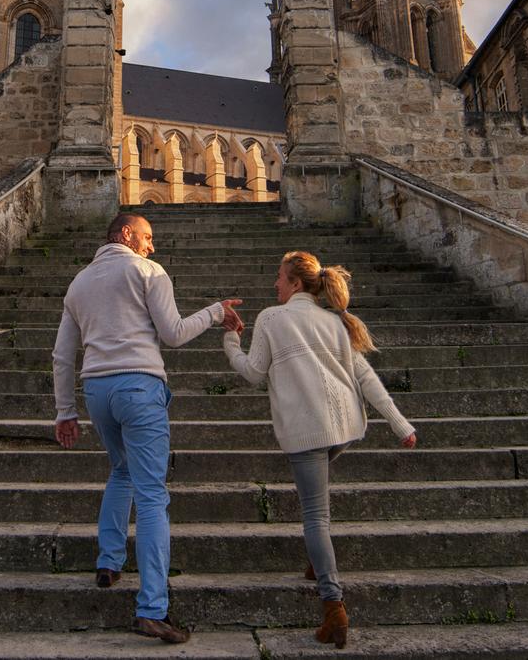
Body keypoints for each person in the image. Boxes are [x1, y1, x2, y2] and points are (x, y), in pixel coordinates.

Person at [52, 212, 242, 644]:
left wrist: (65, 411)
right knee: (153, 494)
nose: (152, 245)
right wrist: (215, 312)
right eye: (147, 236)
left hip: (97, 391)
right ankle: (152, 608)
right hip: (139, 384)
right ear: (126, 234)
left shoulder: (79, 282)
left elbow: (62, 355)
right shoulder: (147, 271)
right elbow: (173, 334)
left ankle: (108, 561)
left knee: (121, 472)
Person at [220, 249, 418, 649]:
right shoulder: (333, 320)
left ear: (295, 283)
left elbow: (254, 373)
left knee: (315, 516)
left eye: (280, 277)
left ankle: (333, 607)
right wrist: (401, 424)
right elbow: (365, 376)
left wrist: (230, 341)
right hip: (344, 427)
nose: (275, 283)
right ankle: (317, 559)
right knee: (318, 502)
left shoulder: (272, 318)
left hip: (307, 431)